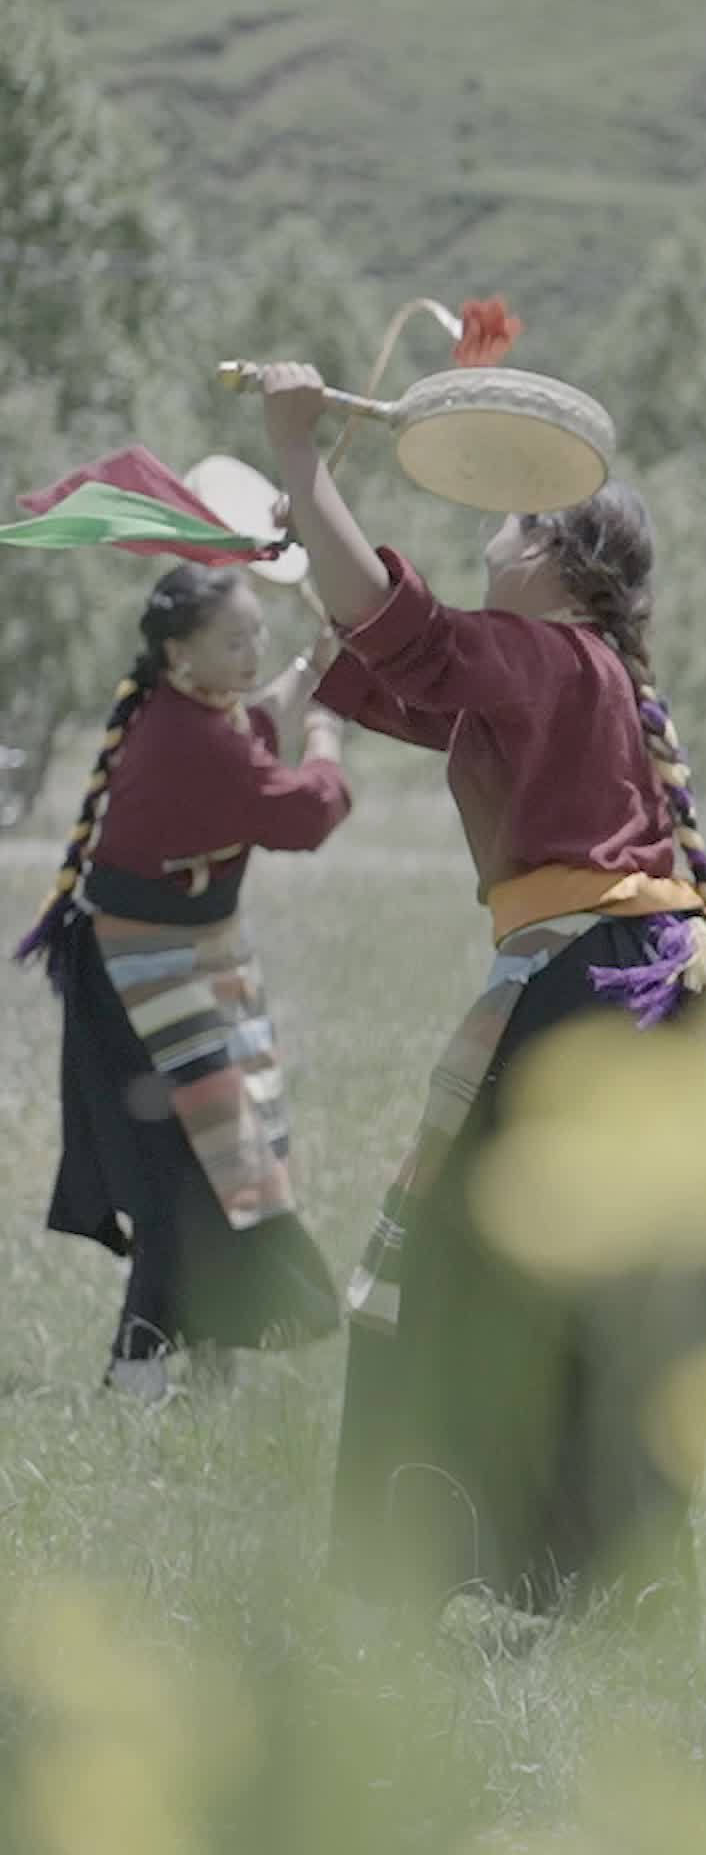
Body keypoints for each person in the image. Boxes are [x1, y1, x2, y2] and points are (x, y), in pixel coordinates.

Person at [253, 360, 706, 1627]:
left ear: (559, 563)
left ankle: (465, 1574)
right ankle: (614, 1592)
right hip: (637, 989)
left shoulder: (554, 660)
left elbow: (403, 632)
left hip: (595, 991)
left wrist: (301, 453)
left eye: (513, 521)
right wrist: (312, 525)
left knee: (466, 1281)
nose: (489, 533)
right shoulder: (575, 670)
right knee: (604, 1295)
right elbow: (387, 658)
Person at [25, 564, 349, 1398]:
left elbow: (252, 723)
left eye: (258, 637)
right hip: (141, 976)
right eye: (234, 641)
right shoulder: (194, 740)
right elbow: (304, 812)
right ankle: (136, 1372)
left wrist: (313, 667)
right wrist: (328, 731)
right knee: (187, 1177)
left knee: (218, 1164)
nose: (252, 653)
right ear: (180, 654)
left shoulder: (188, 714)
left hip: (176, 964)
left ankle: (206, 1364)